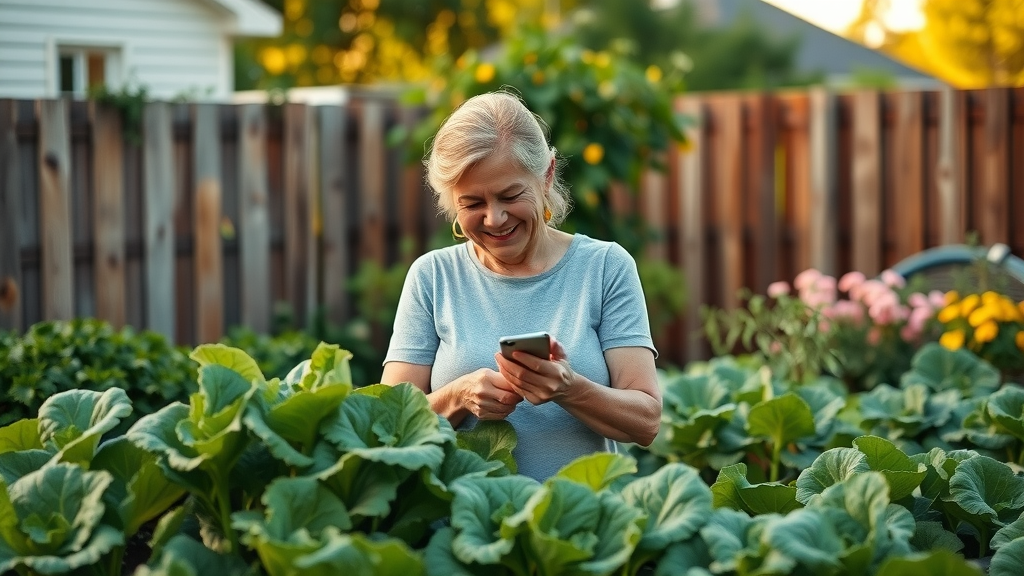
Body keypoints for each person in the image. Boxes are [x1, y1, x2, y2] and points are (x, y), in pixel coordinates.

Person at [380, 90, 661, 481]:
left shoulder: (604, 268)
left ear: (546, 175)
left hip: (581, 522)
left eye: (510, 195)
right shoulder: (431, 278)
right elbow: (389, 424)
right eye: (472, 203)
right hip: (461, 524)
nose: (494, 219)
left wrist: (569, 388)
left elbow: (646, 421)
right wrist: (459, 396)